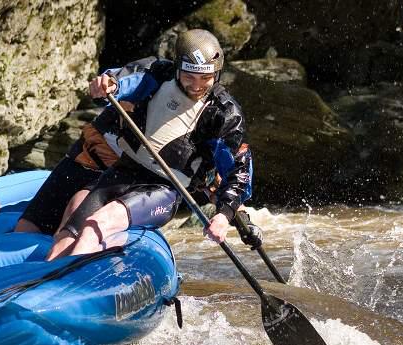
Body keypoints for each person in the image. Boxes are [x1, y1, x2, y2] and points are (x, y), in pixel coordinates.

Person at [45, 29, 252, 260]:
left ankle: (69, 277)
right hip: (123, 171)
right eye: (189, 77)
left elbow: (238, 172)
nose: (197, 85)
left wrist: (223, 215)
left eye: (205, 78)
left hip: (163, 190)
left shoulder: (225, 114)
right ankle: (45, 277)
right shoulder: (159, 74)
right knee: (66, 236)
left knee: (97, 224)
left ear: (217, 73)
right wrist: (108, 84)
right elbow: (123, 80)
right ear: (177, 68)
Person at [13, 106, 121, 236]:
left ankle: (62, 243)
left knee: (73, 212)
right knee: (26, 227)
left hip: (116, 170)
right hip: (80, 157)